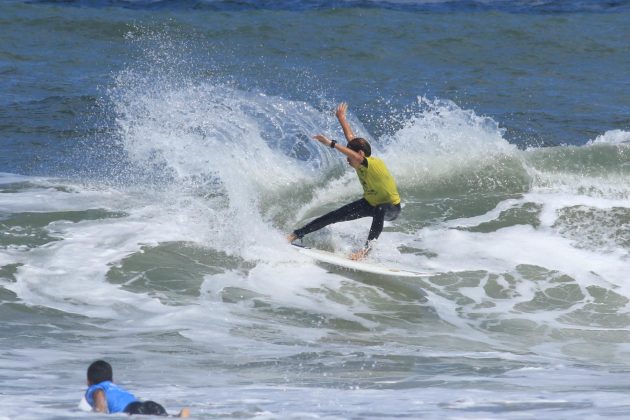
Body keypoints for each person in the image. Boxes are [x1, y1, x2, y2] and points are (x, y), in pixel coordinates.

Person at [288, 102, 401, 260]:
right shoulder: (360, 159)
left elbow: (355, 155)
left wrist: (331, 144)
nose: (347, 160)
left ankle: (366, 251)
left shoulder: (373, 163)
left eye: (350, 157)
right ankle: (295, 235)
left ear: (360, 154)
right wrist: (341, 118)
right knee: (333, 216)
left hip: (391, 208)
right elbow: (351, 139)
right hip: (369, 203)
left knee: (380, 210)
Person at [84, 360, 189, 417]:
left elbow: (99, 394)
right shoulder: (113, 387)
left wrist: (98, 414)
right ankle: (178, 416)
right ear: (112, 380)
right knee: (165, 417)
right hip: (145, 404)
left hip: (131, 411)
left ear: (88, 381)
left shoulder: (94, 388)